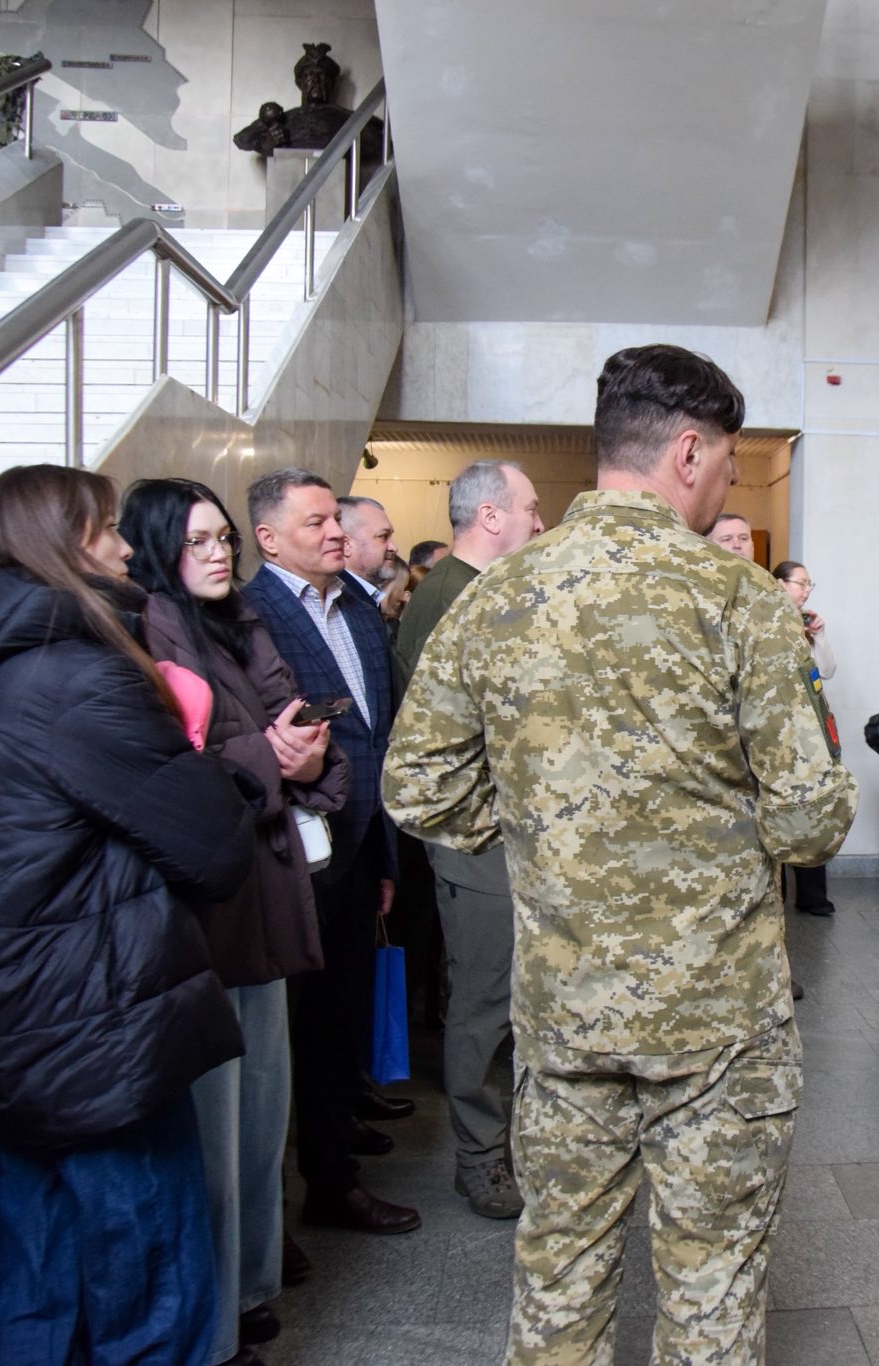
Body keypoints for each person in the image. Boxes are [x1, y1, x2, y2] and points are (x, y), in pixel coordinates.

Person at [384, 344, 857, 1363]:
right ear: (687, 450)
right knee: (711, 1296)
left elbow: (416, 784)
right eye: (727, 463)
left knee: (558, 1277)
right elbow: (810, 823)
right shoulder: (738, 603)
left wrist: (546, 836)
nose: (726, 481)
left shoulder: (495, 599)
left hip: (565, 1016)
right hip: (718, 1021)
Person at [0, 464, 257, 1365]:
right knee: (152, 1289)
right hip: (93, 1027)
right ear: (70, 543)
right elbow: (213, 847)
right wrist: (244, 774)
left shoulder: (3, 661)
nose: (124, 549)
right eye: (108, 528)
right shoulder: (75, 677)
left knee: (35, 1282)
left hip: (18, 1023)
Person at [122, 478, 352, 1366]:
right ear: (158, 554)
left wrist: (304, 751)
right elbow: (171, 773)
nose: (219, 555)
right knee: (216, 1138)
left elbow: (284, 720)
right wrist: (273, 755)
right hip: (210, 905)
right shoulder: (152, 629)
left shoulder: (239, 623)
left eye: (224, 539)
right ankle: (214, 1327)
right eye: (198, 543)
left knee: (263, 1120)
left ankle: (253, 1290)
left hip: (269, 892)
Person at [240, 469, 420, 1236]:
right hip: (297, 850)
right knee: (297, 1024)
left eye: (335, 522)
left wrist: (382, 853)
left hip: (358, 840)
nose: (335, 534)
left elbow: (375, 739)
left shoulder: (359, 609)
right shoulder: (252, 616)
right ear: (269, 537)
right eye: (315, 523)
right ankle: (311, 1184)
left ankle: (334, 1150)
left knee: (340, 1008)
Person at [387, 460, 543, 1218]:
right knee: (482, 1006)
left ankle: (507, 1146)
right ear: (490, 516)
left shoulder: (473, 591)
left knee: (507, 1000)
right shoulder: (451, 598)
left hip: (503, 835)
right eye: (530, 508)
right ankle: (480, 1158)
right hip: (475, 839)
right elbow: (449, 739)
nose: (539, 524)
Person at [772, 560, 837, 918]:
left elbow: (826, 671)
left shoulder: (808, 624)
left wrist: (820, 635)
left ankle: (813, 897)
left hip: (809, 733)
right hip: (776, 730)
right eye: (801, 582)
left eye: (810, 583)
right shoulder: (766, 620)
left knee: (813, 809)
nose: (807, 590)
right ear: (781, 584)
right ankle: (776, 893)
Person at [336, 494, 399, 604]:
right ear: (346, 545)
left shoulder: (365, 596)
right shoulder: (340, 600)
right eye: (383, 536)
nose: (394, 548)